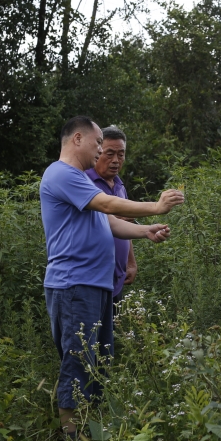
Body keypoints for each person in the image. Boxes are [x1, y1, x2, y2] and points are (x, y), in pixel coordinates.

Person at [40, 116, 184, 441]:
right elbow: (107, 204)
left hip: (96, 285)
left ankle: (95, 436)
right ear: (78, 139)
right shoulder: (61, 173)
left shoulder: (79, 181)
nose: (101, 149)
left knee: (98, 364)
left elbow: (110, 222)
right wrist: (156, 208)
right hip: (74, 285)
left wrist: (145, 231)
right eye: (97, 143)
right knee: (78, 363)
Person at [85, 125, 139, 309]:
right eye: (110, 153)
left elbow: (126, 225)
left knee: (113, 335)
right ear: (98, 152)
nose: (116, 160)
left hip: (116, 279)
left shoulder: (119, 185)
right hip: (92, 278)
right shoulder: (84, 182)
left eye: (121, 154)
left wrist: (130, 263)